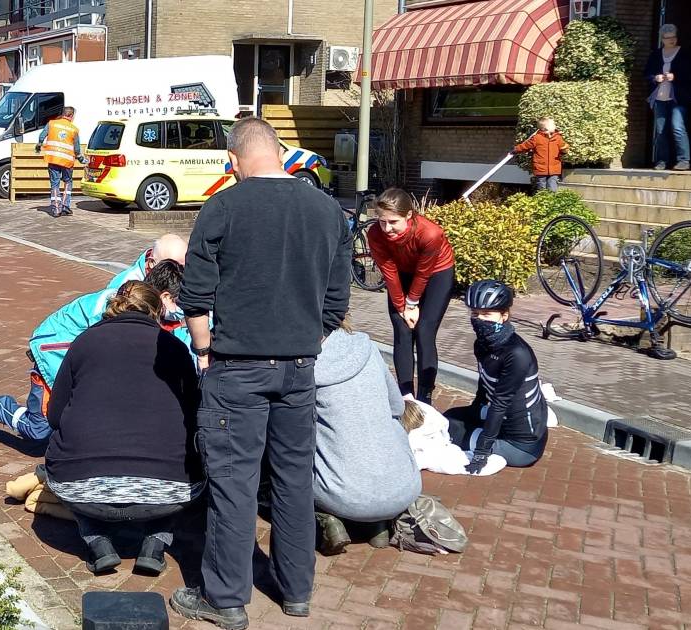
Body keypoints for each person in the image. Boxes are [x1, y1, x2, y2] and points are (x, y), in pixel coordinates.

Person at [171, 117, 351, 629]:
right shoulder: (327, 209)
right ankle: (297, 590)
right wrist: (305, 342)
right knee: (294, 480)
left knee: (234, 483)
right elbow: (337, 301)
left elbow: (195, 296)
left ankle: (225, 599)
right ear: (280, 154)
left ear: (234, 161)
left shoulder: (223, 206)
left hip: (237, 369)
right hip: (299, 369)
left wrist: (204, 354)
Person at [44, 281, 203, 576]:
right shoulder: (176, 348)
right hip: (168, 491)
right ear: (157, 312)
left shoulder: (84, 342)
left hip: (81, 488)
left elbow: (54, 417)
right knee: (188, 461)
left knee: (61, 455)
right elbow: (194, 416)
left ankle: (97, 540)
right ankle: (156, 541)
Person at [0, 260, 189, 446]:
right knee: (38, 430)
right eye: (178, 301)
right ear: (164, 297)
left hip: (78, 356)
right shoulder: (115, 307)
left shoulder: (140, 301)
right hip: (54, 352)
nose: (180, 309)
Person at [311, 314, 421, 556]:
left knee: (287, 455)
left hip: (343, 496)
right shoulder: (368, 347)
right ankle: (378, 526)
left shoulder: (305, 365)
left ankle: (325, 517)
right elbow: (397, 408)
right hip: (404, 489)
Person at [445, 280, 549, 472]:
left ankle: (482, 442)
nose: (479, 319)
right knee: (449, 417)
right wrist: (474, 414)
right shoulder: (482, 344)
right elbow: (484, 386)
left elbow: (500, 403)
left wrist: (481, 453)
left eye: (487, 314)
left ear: (504, 316)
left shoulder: (517, 353)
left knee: (450, 430)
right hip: (504, 419)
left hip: (522, 445)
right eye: (475, 314)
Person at [367, 187, 456, 405]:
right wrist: (401, 307)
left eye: (393, 222)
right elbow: (388, 271)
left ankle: (425, 397)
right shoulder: (375, 234)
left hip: (437, 273)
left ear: (409, 215)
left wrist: (412, 303)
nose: (387, 228)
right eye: (382, 221)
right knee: (402, 329)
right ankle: (405, 395)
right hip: (401, 273)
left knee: (425, 330)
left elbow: (424, 272)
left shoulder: (430, 233)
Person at [645, 24, 691, 171]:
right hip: (660, 98)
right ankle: (661, 161)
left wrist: (675, 77)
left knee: (677, 127)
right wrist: (655, 78)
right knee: (660, 130)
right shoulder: (656, 55)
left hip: (677, 98)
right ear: (662, 39)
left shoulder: (684, 54)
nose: (672, 40)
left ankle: (683, 160)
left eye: (674, 37)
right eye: (668, 38)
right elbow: (647, 73)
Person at [35, 106, 85, 217]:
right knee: (68, 182)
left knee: (55, 184)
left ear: (63, 114)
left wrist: (39, 145)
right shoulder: (74, 129)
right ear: (71, 116)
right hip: (67, 161)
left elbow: (42, 136)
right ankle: (65, 206)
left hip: (53, 159)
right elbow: (76, 149)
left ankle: (56, 208)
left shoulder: (52, 124)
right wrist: (81, 159)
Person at [106, 233, 189, 289]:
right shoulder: (127, 287)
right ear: (151, 263)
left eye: (185, 267)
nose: (180, 273)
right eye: (171, 268)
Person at [513, 117, 569, 193]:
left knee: (552, 187)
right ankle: (542, 200)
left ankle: (551, 202)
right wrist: (515, 150)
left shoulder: (558, 138)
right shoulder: (536, 138)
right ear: (546, 128)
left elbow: (563, 147)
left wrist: (564, 150)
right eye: (553, 124)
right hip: (541, 168)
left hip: (554, 168)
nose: (555, 126)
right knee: (541, 187)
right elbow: (526, 145)